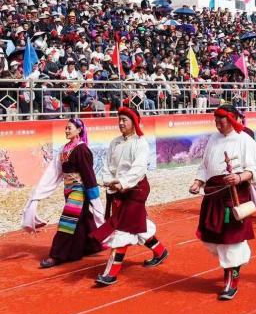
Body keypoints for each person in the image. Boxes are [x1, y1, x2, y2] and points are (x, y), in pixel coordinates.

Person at [188, 105, 256, 300]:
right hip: (213, 194)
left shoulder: (244, 140)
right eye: (216, 121)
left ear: (231, 120)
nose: (218, 125)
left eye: (221, 121)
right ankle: (234, 262)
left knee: (231, 240)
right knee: (211, 238)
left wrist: (239, 177)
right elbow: (205, 165)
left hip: (234, 194)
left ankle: (231, 279)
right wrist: (198, 182)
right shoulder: (213, 139)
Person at [91, 106, 169, 286]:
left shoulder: (140, 143)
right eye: (119, 120)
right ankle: (160, 251)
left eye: (124, 120)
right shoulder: (114, 143)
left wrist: (123, 183)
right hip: (118, 190)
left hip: (135, 190)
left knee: (122, 228)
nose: (120, 123)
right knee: (135, 224)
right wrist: (109, 181)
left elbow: (139, 169)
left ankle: (111, 273)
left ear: (134, 122)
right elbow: (107, 166)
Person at [21, 119, 104, 267]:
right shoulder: (64, 149)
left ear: (79, 130)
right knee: (82, 219)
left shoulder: (82, 149)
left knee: (67, 221)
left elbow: (89, 175)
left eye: (69, 128)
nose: (66, 130)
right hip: (68, 190)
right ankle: (91, 246)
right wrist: (39, 193)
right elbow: (54, 172)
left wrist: (95, 199)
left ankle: (57, 255)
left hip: (79, 191)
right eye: (65, 128)